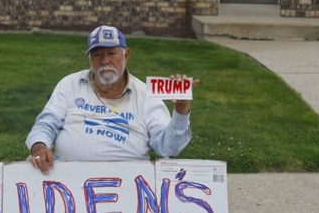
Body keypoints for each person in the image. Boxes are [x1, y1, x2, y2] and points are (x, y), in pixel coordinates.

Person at [26, 25, 198, 174]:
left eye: (112, 53)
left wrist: (181, 109)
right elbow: (46, 124)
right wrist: (39, 146)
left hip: (128, 184)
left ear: (126, 55)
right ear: (90, 59)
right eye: (97, 55)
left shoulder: (145, 95)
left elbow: (168, 147)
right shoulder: (70, 84)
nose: (105, 61)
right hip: (68, 180)